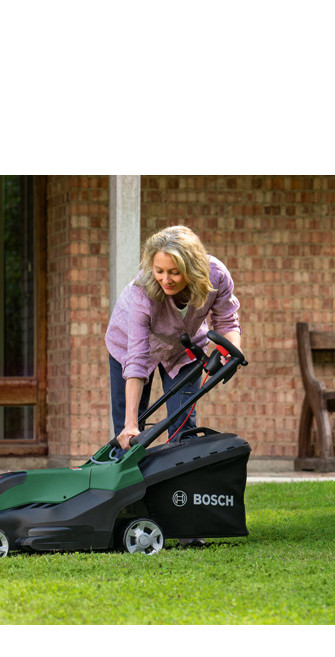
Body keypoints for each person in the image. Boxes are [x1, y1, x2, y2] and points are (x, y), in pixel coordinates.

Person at [106, 226, 242, 544]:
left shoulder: (215, 275)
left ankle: (186, 525)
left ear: (191, 267)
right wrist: (130, 423)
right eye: (159, 270)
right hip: (130, 347)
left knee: (183, 430)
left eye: (174, 272)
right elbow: (136, 360)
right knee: (129, 435)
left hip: (183, 350)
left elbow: (227, 320)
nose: (165, 279)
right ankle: (121, 515)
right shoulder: (142, 291)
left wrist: (231, 351)